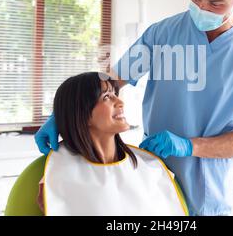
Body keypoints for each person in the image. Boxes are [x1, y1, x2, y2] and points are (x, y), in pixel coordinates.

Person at [35, 0, 233, 216]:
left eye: (215, 3)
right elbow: (112, 80)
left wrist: (189, 146)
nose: (201, 8)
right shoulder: (163, 34)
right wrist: (64, 112)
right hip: (150, 175)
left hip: (207, 191)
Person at [37, 72, 187, 216]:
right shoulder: (59, 174)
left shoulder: (149, 167)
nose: (120, 102)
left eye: (116, 94)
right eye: (107, 97)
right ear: (81, 113)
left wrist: (191, 146)